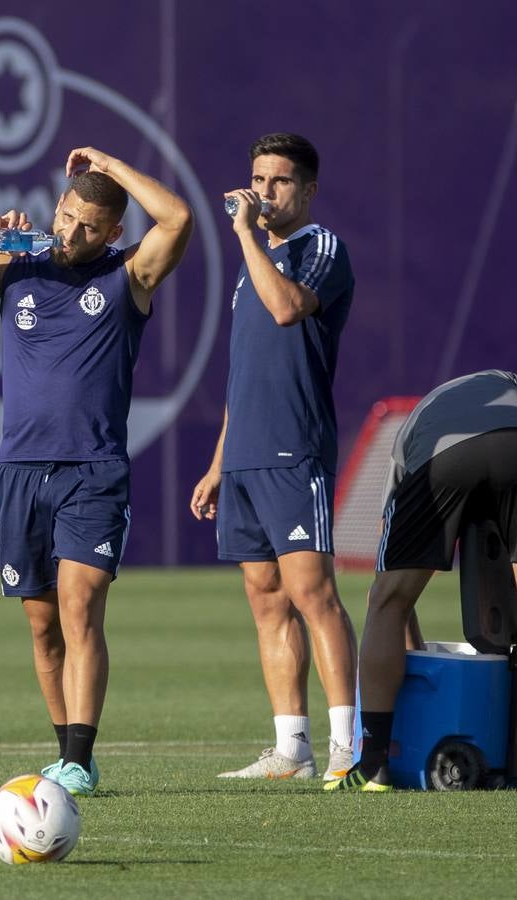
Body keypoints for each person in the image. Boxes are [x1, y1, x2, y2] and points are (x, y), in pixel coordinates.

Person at [0, 147, 194, 795]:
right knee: (41, 623)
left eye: (89, 225)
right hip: (20, 469)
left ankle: (81, 761)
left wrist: (113, 167)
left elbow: (176, 220)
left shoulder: (129, 275)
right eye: (66, 217)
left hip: (92, 469)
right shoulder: (19, 268)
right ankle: (66, 752)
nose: (72, 232)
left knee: (80, 604)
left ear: (114, 231)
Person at [189, 133, 358, 782]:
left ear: (307, 190)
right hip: (245, 457)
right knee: (265, 597)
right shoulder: (253, 261)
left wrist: (243, 235)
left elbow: (288, 311)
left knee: (311, 592)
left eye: (279, 181)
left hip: (294, 449)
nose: (263, 192)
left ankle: (349, 745)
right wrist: (215, 463)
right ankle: (292, 747)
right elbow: (244, 375)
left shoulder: (319, 249)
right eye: (257, 178)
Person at [327, 370, 517, 792]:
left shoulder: (419, 418)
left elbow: (386, 561)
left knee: (387, 600)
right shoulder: (509, 382)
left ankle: (373, 766)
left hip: (442, 456)